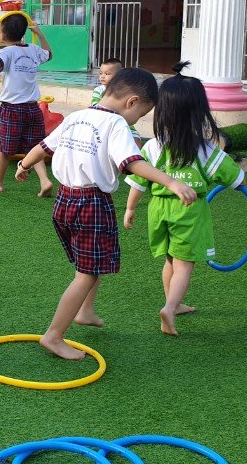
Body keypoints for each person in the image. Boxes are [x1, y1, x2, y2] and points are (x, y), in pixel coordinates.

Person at [16, 68, 197, 358]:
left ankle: (85, 311)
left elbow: (43, 147)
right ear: (132, 101)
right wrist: (171, 182)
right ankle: (54, 335)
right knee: (86, 274)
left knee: (92, 263)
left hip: (64, 201)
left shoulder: (76, 116)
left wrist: (23, 165)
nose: (136, 120)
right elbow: (132, 162)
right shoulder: (116, 124)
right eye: (141, 114)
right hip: (92, 204)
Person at [124, 63, 245, 336]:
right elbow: (237, 179)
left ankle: (174, 304)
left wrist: (130, 208)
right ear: (199, 112)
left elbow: (138, 179)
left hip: (158, 210)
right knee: (184, 265)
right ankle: (170, 307)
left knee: (170, 259)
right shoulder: (206, 149)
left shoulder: (153, 145)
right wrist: (238, 181)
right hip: (188, 212)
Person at [0, 13, 54, 196]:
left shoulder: (8, 52)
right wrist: (40, 33)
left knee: (4, 148)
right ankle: (44, 181)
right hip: (33, 108)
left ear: (3, 33)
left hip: (12, 109)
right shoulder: (33, 49)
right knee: (35, 147)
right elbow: (49, 54)